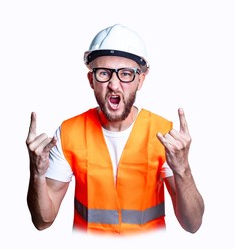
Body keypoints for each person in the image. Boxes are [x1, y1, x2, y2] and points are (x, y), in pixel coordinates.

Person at [26, 24, 204, 235]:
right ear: (91, 80)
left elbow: (192, 224)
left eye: (126, 74)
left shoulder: (163, 135)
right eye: (103, 73)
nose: (114, 84)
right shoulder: (68, 134)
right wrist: (36, 173)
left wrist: (183, 169)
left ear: (140, 80)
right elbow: (43, 221)